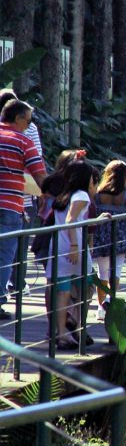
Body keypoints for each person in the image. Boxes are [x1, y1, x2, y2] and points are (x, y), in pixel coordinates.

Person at [0, 98, 47, 314]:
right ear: (17, 118)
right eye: (28, 121)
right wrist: (49, 195)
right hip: (9, 206)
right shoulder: (22, 141)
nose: (29, 126)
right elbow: (39, 175)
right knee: (4, 255)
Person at [47, 159, 96, 350]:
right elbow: (71, 219)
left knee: (63, 290)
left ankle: (62, 334)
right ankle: (75, 322)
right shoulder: (82, 195)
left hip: (59, 245)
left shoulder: (63, 195)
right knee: (87, 284)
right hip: (72, 246)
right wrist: (75, 246)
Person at [92, 160, 126, 309]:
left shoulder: (98, 194)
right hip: (121, 235)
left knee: (103, 272)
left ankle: (101, 306)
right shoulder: (125, 196)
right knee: (116, 269)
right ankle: (111, 300)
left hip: (102, 234)